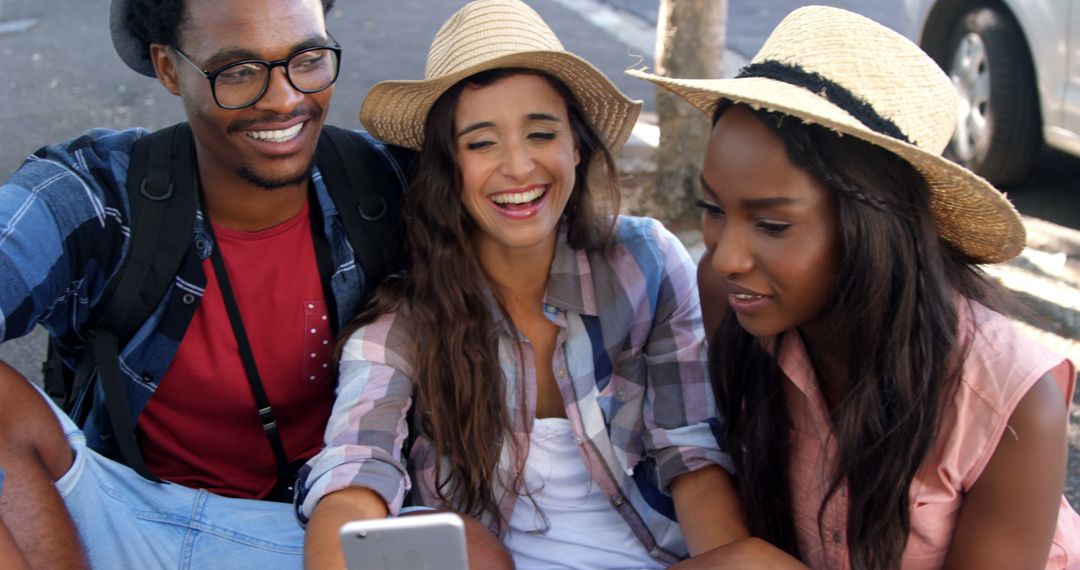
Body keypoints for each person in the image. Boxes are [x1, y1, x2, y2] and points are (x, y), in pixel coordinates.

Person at [297, 0, 751, 568]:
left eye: (540, 133)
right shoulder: (406, 319)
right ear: (447, 166)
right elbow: (357, 467)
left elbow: (691, 455)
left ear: (577, 146)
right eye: (481, 142)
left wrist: (732, 560)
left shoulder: (647, 261)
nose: (517, 167)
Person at [631, 6, 1080, 569]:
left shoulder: (1013, 400)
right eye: (713, 209)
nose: (725, 256)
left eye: (772, 225)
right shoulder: (730, 298)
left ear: (874, 227)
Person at [0, 0, 417, 567]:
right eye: (238, 71)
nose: (285, 99)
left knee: (471, 546)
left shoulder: (383, 186)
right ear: (169, 69)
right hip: (123, 519)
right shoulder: (98, 195)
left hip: (321, 525)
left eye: (308, 58)